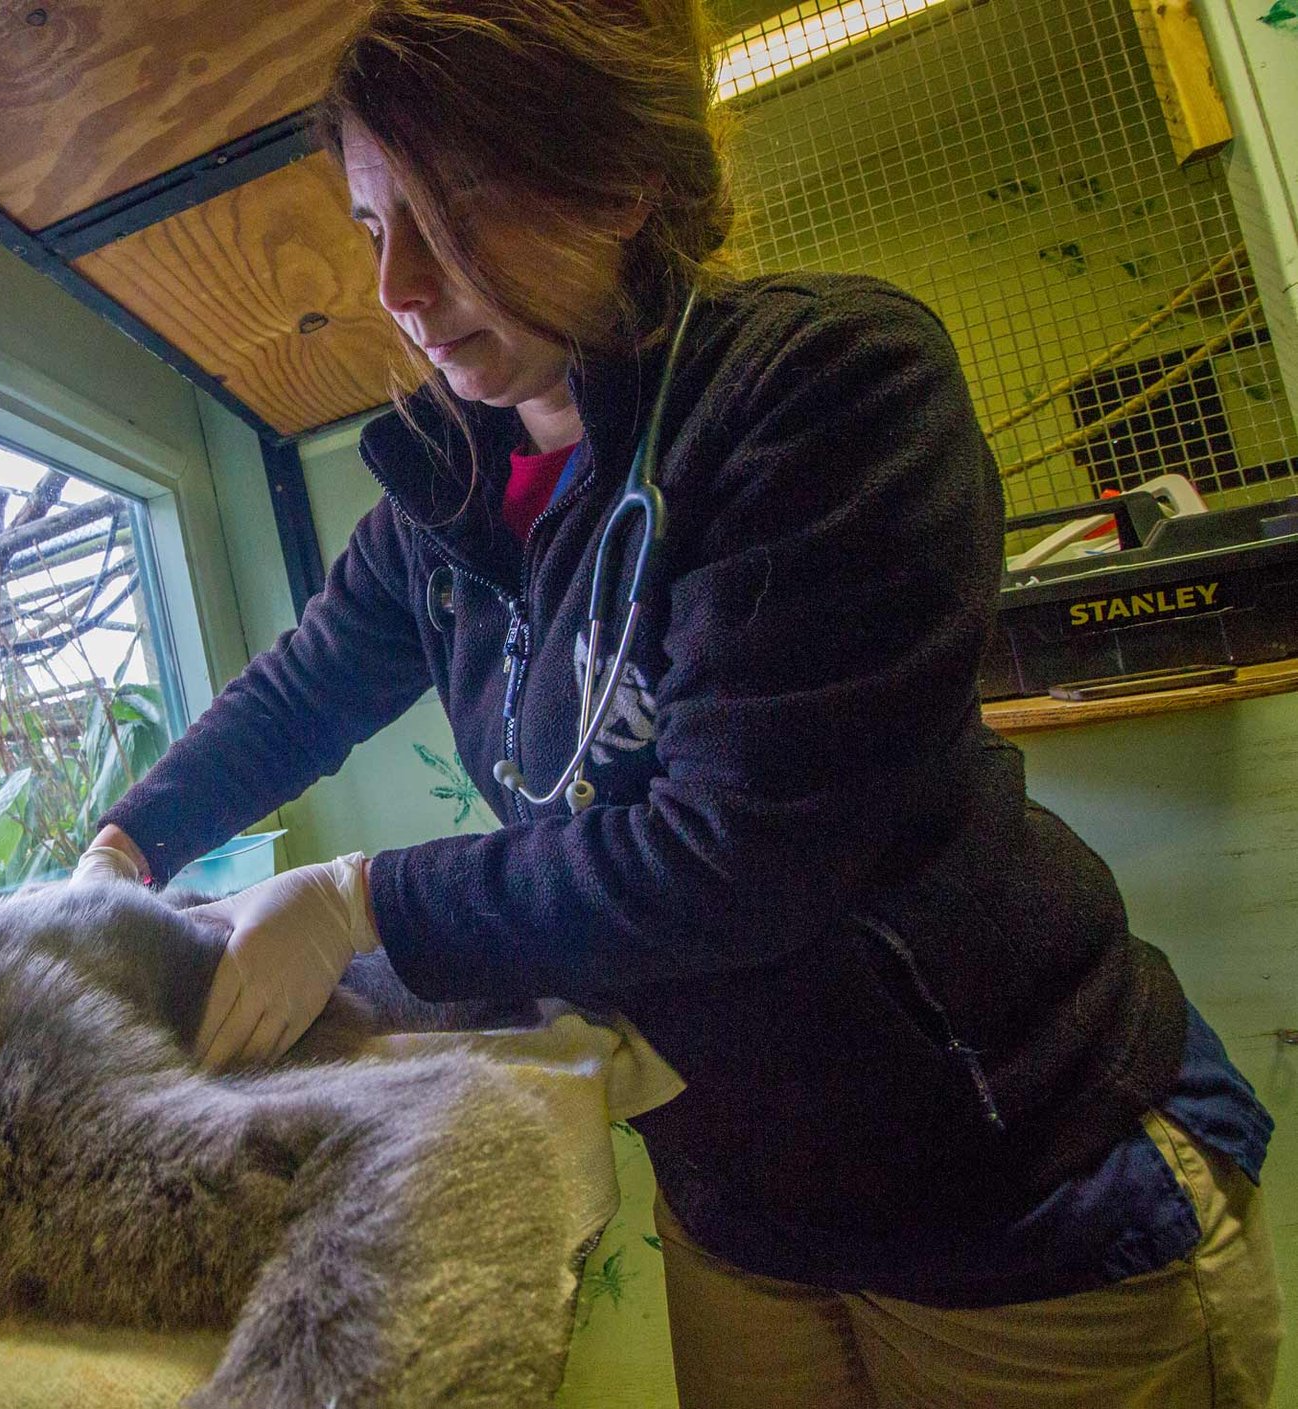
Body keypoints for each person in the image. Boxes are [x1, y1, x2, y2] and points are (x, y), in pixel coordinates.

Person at [73, 0, 1282, 1402]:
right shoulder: (446, 489)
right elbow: (305, 688)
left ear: (616, 181)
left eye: (450, 206)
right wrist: (121, 850)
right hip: (740, 1204)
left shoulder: (822, 386)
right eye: (367, 222)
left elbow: (742, 853)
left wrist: (359, 901)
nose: (398, 283)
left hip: (1017, 1181)